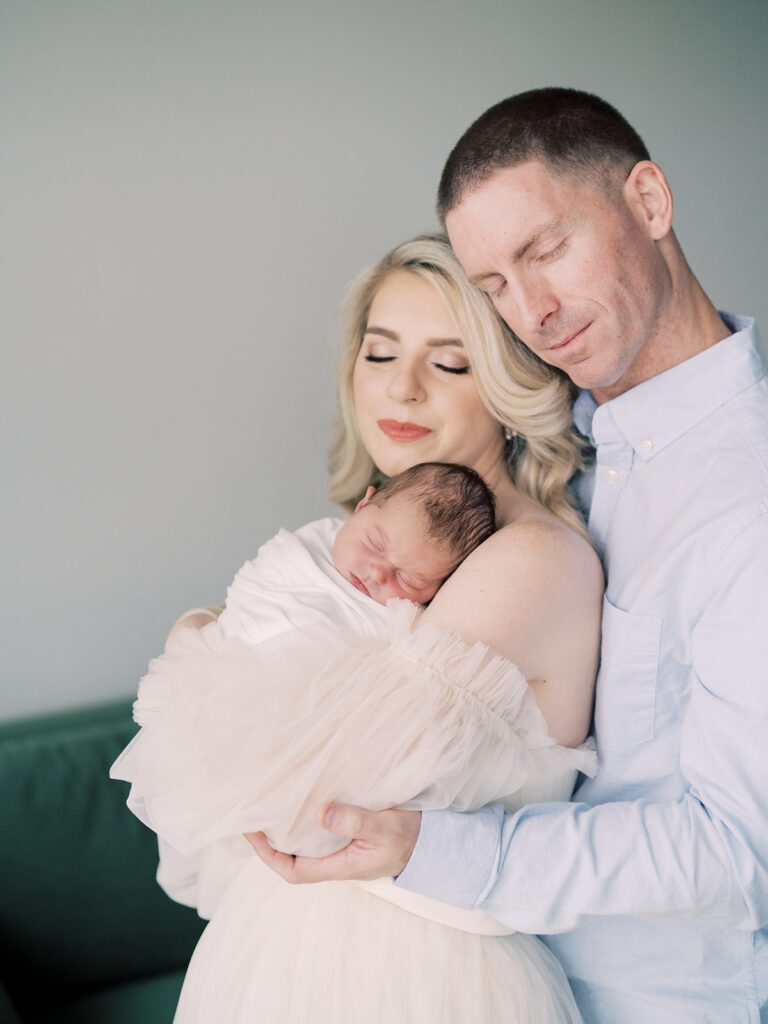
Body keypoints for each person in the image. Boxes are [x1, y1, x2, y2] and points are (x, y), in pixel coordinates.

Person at [251, 89, 768, 1023]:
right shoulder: (561, 452)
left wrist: (435, 850)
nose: (531, 309)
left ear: (649, 202)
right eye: (493, 283)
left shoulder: (749, 495)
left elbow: (742, 853)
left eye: (546, 250)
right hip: (496, 975)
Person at [113, 233, 604, 1022]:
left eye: (449, 363)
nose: (402, 390)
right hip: (288, 949)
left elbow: (294, 793)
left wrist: (191, 637)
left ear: (511, 387)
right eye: (380, 354)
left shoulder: (532, 559)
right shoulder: (363, 554)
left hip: (411, 975)